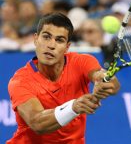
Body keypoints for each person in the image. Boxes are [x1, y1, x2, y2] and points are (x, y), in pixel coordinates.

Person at [7, 13, 120, 144]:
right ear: (36, 39)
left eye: (59, 40)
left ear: (67, 47)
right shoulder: (20, 81)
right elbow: (37, 123)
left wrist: (104, 81)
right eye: (46, 37)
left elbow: (105, 79)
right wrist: (74, 107)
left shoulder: (81, 62)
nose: (51, 45)